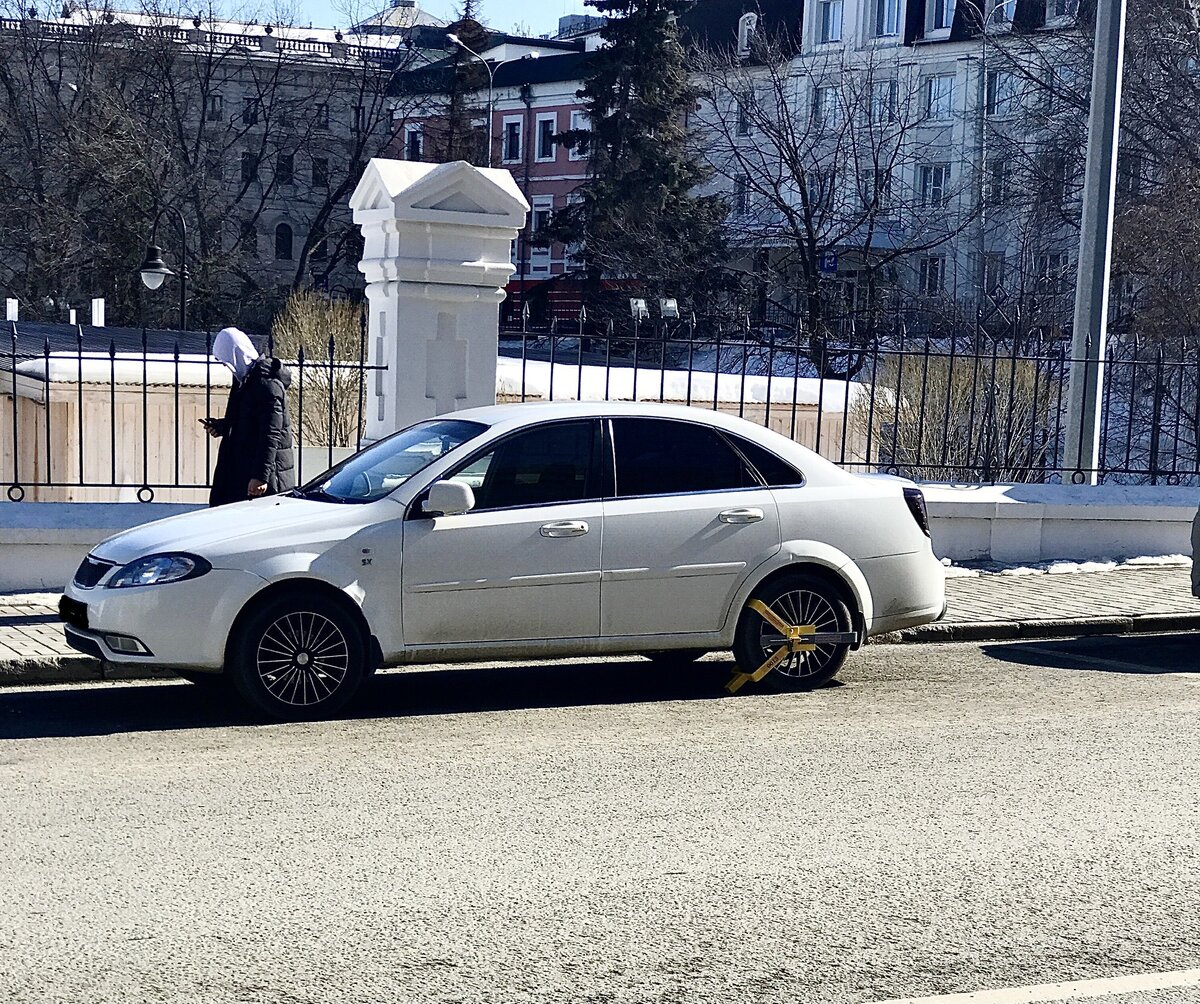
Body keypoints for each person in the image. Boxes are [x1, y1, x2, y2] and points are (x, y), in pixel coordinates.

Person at [202, 326, 296, 507]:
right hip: (244, 471)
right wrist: (223, 426)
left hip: (265, 479)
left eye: (225, 360)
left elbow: (271, 435)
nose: (225, 366)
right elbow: (248, 421)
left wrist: (260, 476)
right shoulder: (245, 381)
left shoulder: (267, 385)